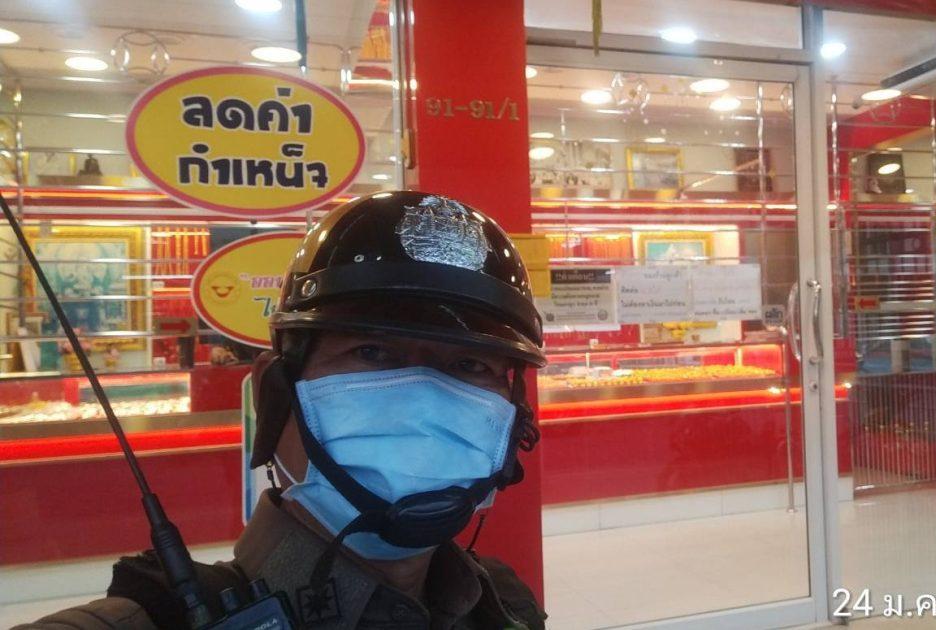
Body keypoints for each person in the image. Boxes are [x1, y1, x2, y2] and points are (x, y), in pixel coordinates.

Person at [16, 191, 549, 629]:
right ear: (274, 394)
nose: (425, 399)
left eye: (470, 366)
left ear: (513, 422)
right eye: (372, 353)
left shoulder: (505, 605)